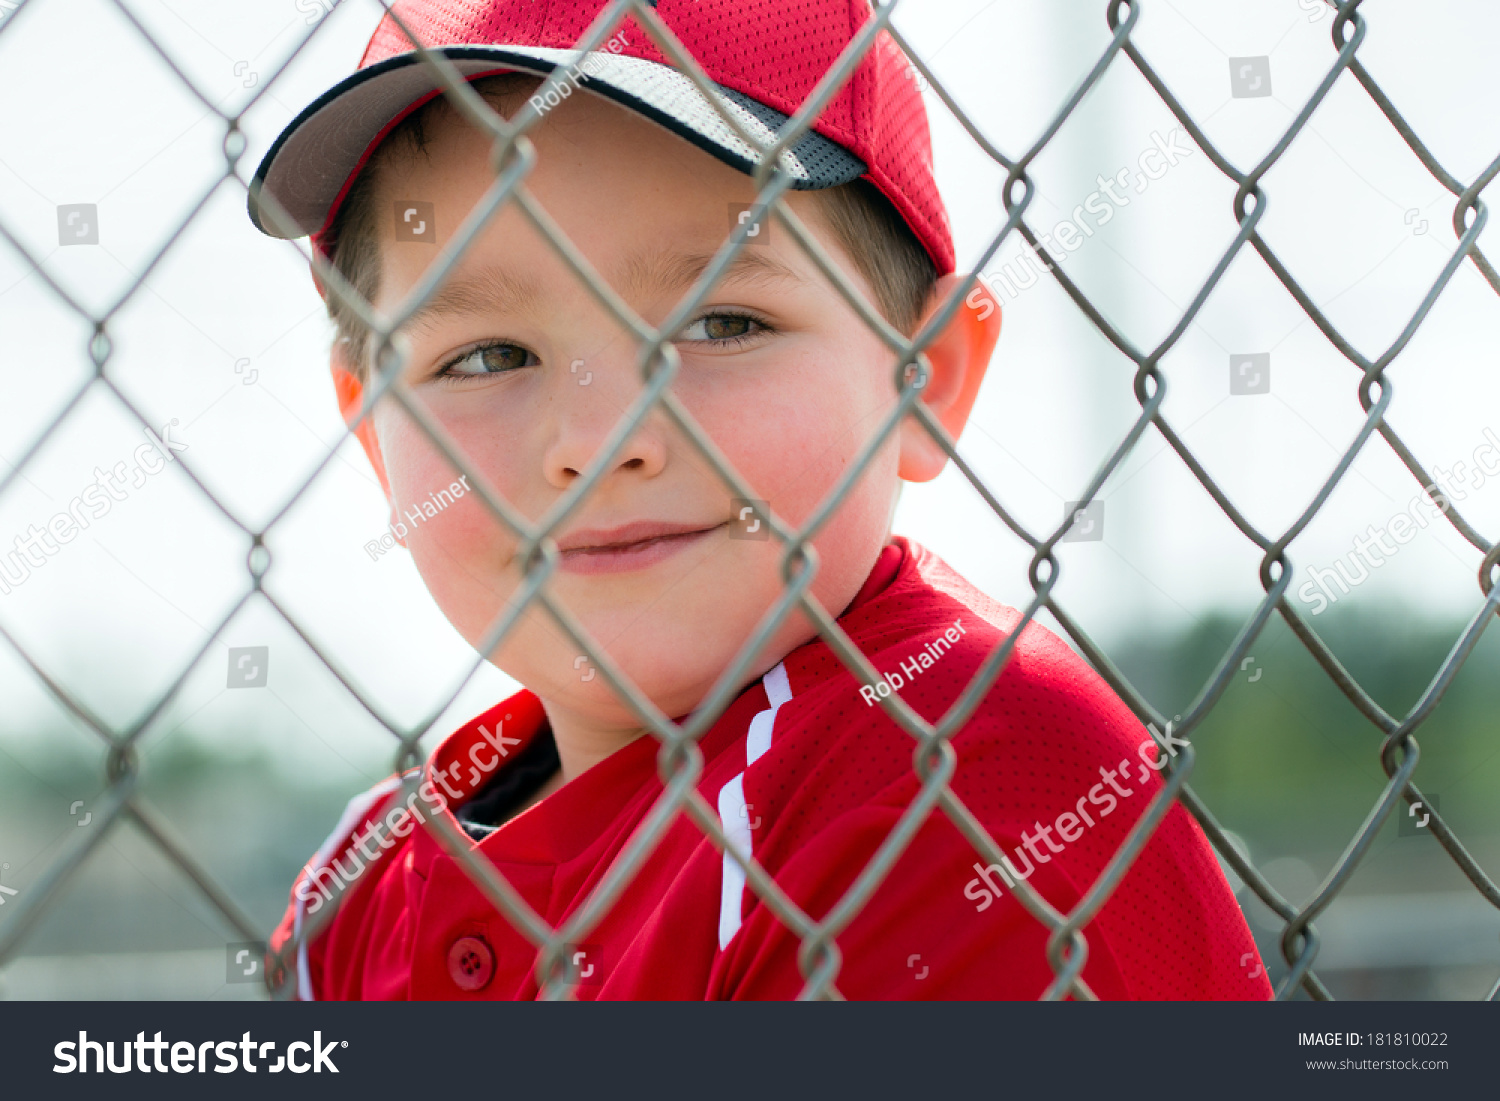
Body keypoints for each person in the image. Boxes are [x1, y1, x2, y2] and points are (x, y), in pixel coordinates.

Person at [247, 0, 1269, 1000]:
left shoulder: (957, 769)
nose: (600, 445)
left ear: (926, 375)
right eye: (489, 355)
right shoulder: (360, 889)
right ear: (374, 427)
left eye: (722, 324)